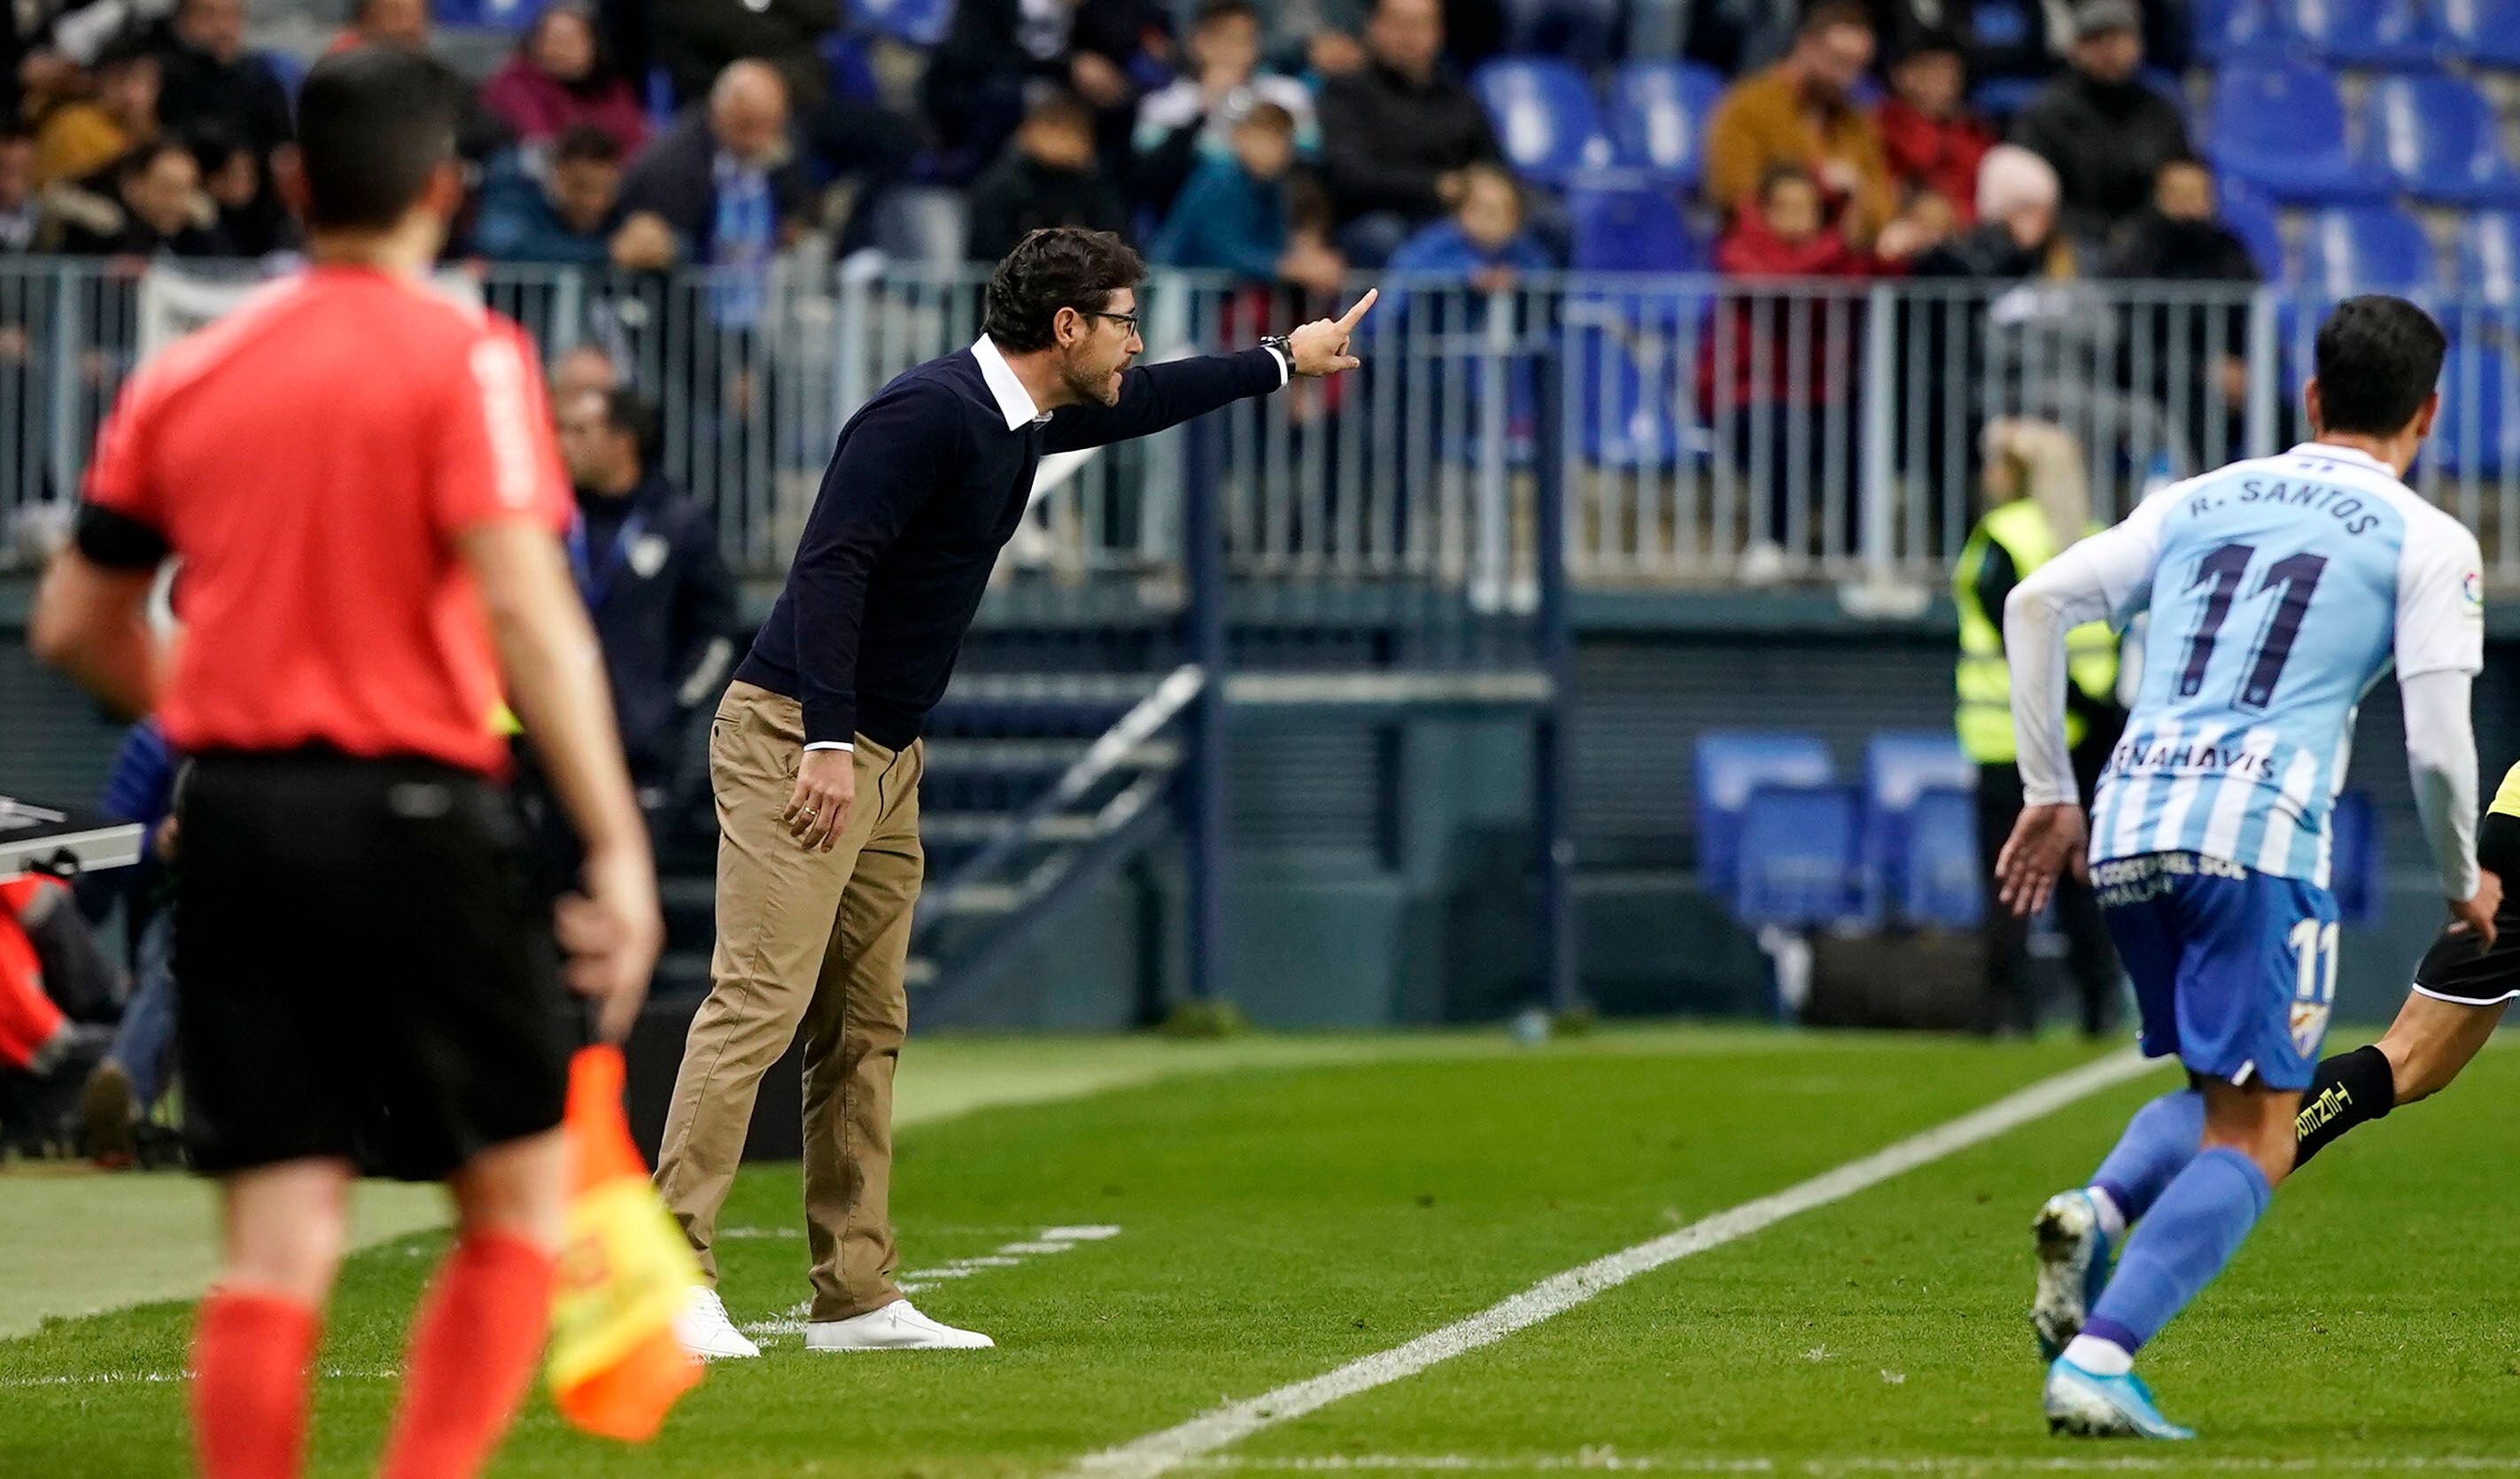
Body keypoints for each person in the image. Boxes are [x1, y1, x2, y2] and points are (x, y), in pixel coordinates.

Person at [27, 46, 659, 1479]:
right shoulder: (470, 360)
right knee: (512, 1205)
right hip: (422, 807)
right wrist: (616, 846)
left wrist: (221, 704)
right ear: (445, 188)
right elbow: (523, 603)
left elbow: (73, 617)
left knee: (275, 1236)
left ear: (296, 185)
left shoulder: (191, 368)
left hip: (238, 816)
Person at [654, 226, 1376, 1360]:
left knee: (865, 1022)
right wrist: (830, 742)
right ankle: (663, 1272)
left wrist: (1285, 356)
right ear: (1068, 327)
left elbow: (1148, 402)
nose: (1138, 340)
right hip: (799, 734)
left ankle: (853, 1293)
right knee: (759, 998)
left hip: (886, 751)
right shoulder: (924, 412)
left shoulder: (1024, 412)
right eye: (1126, 319)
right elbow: (828, 566)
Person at [1996, 295, 2485, 1439]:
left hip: (2127, 819)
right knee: (2261, 1131)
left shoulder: (2194, 499)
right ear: (2427, 413)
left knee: (2218, 1092)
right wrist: (2463, 878)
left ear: (2309, 398)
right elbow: (2435, 743)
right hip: (2252, 835)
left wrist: (2048, 793)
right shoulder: (2425, 537)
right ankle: (2103, 1358)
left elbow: (2036, 601)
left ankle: (2099, 1204)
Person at [1952, 419, 2124, 1034]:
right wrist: (2098, 712)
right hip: (2093, 735)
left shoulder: (1998, 537)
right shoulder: (2097, 537)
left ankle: (2007, 1011)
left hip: (2010, 742)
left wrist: (2073, 704)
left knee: (2010, 881)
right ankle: (2097, 1006)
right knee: (2086, 884)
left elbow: (2011, 636)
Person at [553, 385, 735, 801]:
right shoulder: (551, 519)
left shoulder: (679, 523)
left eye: (579, 431)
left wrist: (667, 708)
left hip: (642, 758)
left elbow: (716, 634)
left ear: (622, 440)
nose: (562, 444)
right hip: (552, 747)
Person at [1315, 0, 1502, 268]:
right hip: (1376, 218)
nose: (1409, 36)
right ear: (1373, 27)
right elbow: (1350, 177)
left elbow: (1494, 165)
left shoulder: (1459, 96)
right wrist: (1435, 187)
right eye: (1399, 23)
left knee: (1542, 224)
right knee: (1381, 235)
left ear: (1439, 32)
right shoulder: (1347, 92)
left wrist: (1480, 193)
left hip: (1457, 217)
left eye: (1420, 25)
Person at [2105, 156, 2260, 465]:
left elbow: (2255, 322)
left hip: (2227, 381)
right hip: (2158, 382)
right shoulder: (2137, 252)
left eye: (2198, 195)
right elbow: (2128, 343)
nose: (2189, 206)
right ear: (2160, 198)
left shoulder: (2230, 250)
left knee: (2286, 415)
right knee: (2198, 410)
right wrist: (2201, 368)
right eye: (2179, 195)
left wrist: (2245, 369)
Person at [1702, 0, 1896, 247]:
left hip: (1840, 267)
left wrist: (1858, 197)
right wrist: (1819, 183)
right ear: (1806, 45)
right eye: (1838, 61)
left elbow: (1882, 202)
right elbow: (1732, 193)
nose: (1847, 79)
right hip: (1764, 264)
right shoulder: (1747, 106)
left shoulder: (1855, 121)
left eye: (1858, 67)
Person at [2010, 0, 2190, 246]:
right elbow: (2034, 200)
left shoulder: (2162, 112)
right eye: (2095, 39)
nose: (2108, 50)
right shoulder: (2045, 115)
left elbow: (2180, 187)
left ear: (2138, 44)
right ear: (2075, 48)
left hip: (2151, 248)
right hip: (2072, 245)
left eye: (2117, 37)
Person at [611, 59, 808, 276]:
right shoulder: (669, 166)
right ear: (719, 113)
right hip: (688, 297)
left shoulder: (785, 149)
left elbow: (796, 213)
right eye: (746, 126)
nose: (758, 141)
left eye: (770, 126)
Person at [1132, 0, 1317, 213]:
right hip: (1198, 220)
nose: (1237, 51)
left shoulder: (1287, 94)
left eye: (1246, 40)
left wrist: (1274, 153)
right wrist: (1203, 108)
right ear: (1200, 43)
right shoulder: (1163, 105)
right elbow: (1151, 184)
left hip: (1273, 214)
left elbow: (1313, 168)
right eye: (1226, 41)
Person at [1151, 101, 1342, 292]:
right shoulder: (1218, 179)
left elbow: (1274, 243)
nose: (1277, 150)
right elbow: (1224, 251)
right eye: (1267, 139)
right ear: (1241, 137)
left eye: (1284, 140)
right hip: (1178, 291)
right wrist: (1290, 268)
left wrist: (1305, 259)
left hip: (1221, 299)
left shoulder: (1273, 186)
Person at [964, 91, 1132, 263]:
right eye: (1054, 126)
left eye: (1070, 129)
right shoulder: (1002, 184)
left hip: (1079, 280)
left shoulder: (1092, 185)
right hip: (1017, 279)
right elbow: (987, 245)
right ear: (1028, 130)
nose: (1060, 139)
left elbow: (1118, 237)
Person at [479, 0, 646, 157]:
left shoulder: (611, 89)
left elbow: (637, 144)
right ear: (535, 45)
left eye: (571, 41)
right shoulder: (516, 85)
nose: (561, 50)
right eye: (553, 41)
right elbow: (542, 145)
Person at [1874, 28, 1991, 227]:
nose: (1941, 80)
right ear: (1899, 74)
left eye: (1949, 69)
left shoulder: (1976, 132)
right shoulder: (1881, 126)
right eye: (1928, 68)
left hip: (1971, 236)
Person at [152, 0, 293, 162]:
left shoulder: (263, 83)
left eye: (232, 15)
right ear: (182, 20)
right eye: (208, 15)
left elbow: (283, 151)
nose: (223, 27)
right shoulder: (158, 82)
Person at [471, 122, 624, 267]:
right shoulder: (513, 185)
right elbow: (503, 247)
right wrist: (607, 252)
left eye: (606, 191)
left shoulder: (617, 214)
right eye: (580, 187)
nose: (595, 202)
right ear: (557, 173)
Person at [52, 138, 230, 258]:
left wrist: (208, 228)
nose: (177, 202)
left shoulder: (192, 231)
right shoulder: (95, 230)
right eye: (166, 188)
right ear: (133, 186)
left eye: (187, 189)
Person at [34, 40, 161, 187]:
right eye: (120, 81)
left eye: (142, 84)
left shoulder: (149, 129)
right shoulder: (74, 123)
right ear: (102, 82)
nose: (131, 94)